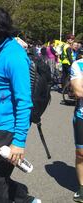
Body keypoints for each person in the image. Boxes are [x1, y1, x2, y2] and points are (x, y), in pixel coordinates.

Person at [0, 7, 41, 203]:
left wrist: (19, 142)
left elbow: (24, 101)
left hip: (4, 130)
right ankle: (24, 197)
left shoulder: (14, 56)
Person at [71, 50, 83, 203]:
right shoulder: (78, 64)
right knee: (81, 154)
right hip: (82, 116)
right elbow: (78, 91)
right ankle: (82, 188)